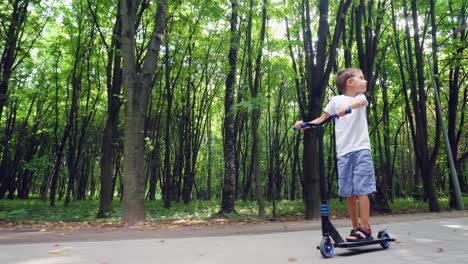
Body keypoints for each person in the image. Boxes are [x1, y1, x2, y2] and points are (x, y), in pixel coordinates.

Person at [294, 68, 376, 242]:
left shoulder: (359, 98)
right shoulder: (335, 100)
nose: (365, 81)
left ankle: (365, 228)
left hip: (361, 149)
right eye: (361, 78)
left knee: (362, 188)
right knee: (348, 192)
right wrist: (304, 124)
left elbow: (360, 104)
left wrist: (347, 108)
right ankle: (355, 229)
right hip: (344, 153)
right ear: (350, 82)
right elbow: (322, 119)